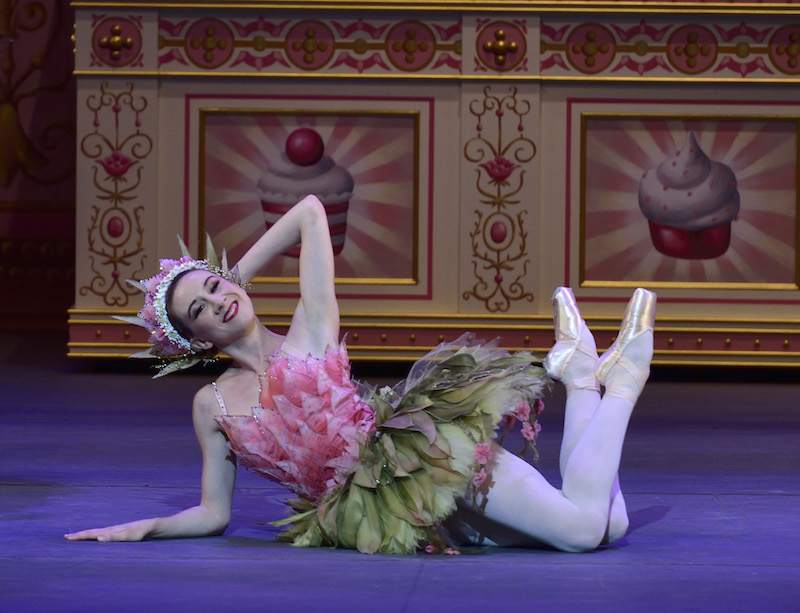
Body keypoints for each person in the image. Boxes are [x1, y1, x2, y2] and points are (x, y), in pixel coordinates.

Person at [65, 194, 656, 554]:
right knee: (609, 521)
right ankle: (578, 373)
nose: (219, 302)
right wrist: (152, 527)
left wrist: (229, 274)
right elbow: (214, 513)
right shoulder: (211, 404)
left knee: (583, 530)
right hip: (374, 510)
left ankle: (620, 379)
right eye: (201, 310)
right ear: (193, 341)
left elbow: (309, 212)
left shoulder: (310, 327)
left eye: (218, 289)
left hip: (419, 455)